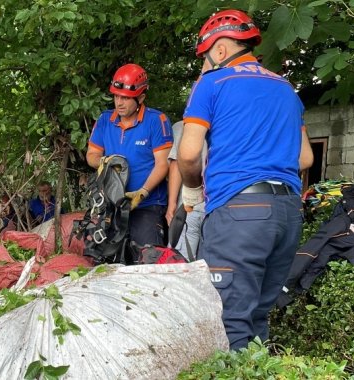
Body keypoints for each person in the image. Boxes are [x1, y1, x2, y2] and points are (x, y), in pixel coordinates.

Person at [178, 9, 314, 350]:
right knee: (257, 317)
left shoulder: (212, 83)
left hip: (239, 212)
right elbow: (306, 158)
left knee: (228, 319)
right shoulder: (286, 90)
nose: (206, 64)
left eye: (206, 57)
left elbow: (190, 153)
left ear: (220, 50)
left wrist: (193, 190)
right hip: (287, 213)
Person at [86, 63, 173, 250]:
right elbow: (91, 155)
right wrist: (103, 162)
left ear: (141, 97)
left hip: (148, 204)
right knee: (105, 261)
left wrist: (142, 192)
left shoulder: (157, 121)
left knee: (147, 258)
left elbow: (162, 164)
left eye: (125, 98)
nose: (119, 103)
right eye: (116, 96)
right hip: (113, 205)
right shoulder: (104, 120)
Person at [165, 120, 206, 260]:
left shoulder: (183, 126)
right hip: (221, 205)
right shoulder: (231, 123)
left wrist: (172, 205)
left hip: (188, 206)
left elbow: (176, 164)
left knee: (179, 262)